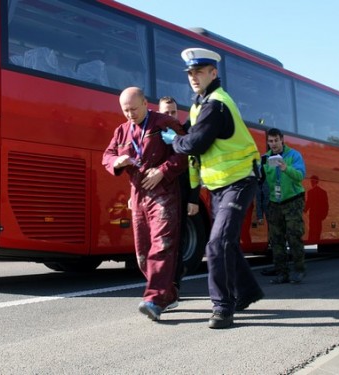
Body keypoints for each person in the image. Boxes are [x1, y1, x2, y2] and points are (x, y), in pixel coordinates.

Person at [162, 48, 264, 329]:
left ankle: (222, 307)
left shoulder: (215, 104)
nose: (193, 77)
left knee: (217, 243)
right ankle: (247, 292)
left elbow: (194, 143)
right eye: (190, 73)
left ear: (213, 73)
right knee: (225, 243)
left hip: (240, 180)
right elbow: (189, 133)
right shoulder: (199, 104)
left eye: (199, 72)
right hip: (220, 185)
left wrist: (174, 141)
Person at [102, 87, 187, 321]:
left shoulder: (164, 123)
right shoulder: (121, 131)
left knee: (162, 245)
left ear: (145, 103)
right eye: (125, 110)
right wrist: (116, 162)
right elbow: (106, 156)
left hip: (164, 193)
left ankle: (154, 299)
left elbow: (183, 153)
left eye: (134, 109)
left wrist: (162, 171)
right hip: (138, 194)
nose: (130, 114)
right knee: (143, 253)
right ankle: (167, 293)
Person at [158, 96, 200, 294]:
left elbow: (195, 167)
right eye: (166, 112)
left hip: (181, 196)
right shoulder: (152, 135)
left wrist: (193, 198)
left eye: (173, 112)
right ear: (158, 112)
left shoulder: (184, 135)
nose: (170, 116)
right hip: (159, 198)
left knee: (176, 242)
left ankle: (173, 286)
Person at [262, 128, 307, 284]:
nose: (273, 144)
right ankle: (282, 273)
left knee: (294, 235)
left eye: (276, 141)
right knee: (276, 239)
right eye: (270, 141)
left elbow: (300, 176)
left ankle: (299, 270)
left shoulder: (294, 155)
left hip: (293, 199)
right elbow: (261, 179)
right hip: (275, 201)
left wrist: (285, 168)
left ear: (282, 140)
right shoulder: (265, 158)